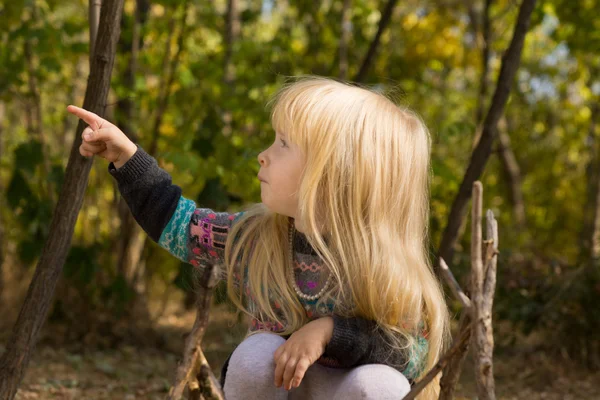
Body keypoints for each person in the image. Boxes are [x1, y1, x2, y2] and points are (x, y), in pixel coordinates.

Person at [67, 76, 450, 399]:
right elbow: (179, 225)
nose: (263, 155)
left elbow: (410, 355)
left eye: (283, 144)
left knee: (379, 385)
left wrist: (332, 332)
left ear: (333, 175)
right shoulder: (255, 237)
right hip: (281, 388)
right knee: (257, 355)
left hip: (347, 391)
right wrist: (128, 158)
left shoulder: (387, 266)